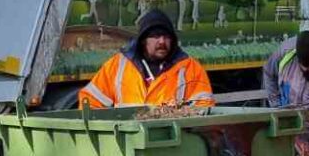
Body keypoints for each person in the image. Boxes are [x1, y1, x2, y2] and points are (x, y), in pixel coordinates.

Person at [78, 8, 214, 109]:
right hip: (128, 142)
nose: (162, 41)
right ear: (143, 40)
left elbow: (205, 107)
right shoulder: (119, 64)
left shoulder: (190, 67)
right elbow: (90, 101)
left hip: (173, 143)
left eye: (167, 36)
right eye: (155, 36)